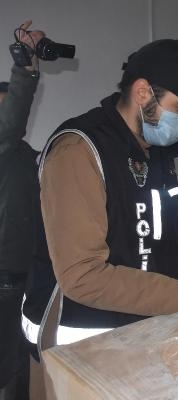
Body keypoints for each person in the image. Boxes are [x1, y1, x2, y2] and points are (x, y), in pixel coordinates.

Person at [21, 39, 178, 398]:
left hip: (142, 341)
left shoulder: (158, 153)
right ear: (142, 92)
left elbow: (172, 242)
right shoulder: (78, 150)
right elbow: (83, 276)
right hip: (80, 350)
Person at [0, 20, 45, 400]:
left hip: (28, 275)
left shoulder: (30, 157)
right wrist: (25, 67)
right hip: (3, 278)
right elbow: (11, 122)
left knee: (19, 360)